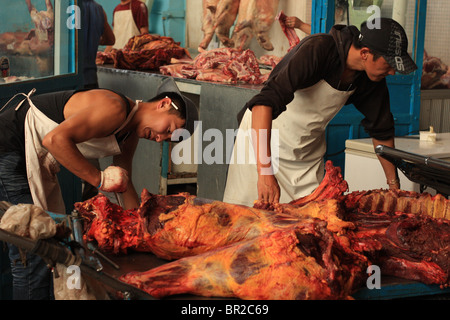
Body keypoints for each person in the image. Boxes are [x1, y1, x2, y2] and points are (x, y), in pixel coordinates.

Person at [0, 77, 198, 299]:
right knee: (33, 249)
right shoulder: (114, 108)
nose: (162, 138)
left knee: (47, 249)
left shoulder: (130, 133)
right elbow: (54, 140)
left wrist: (140, 227)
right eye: (169, 128)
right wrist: (99, 179)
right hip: (11, 147)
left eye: (169, 138)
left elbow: (124, 181)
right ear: (163, 104)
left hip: (34, 158)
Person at [223, 17, 417, 207]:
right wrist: (264, 172)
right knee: (252, 221)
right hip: (264, 144)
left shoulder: (371, 78)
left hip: (305, 153)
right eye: (389, 64)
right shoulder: (319, 49)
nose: (392, 72)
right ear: (365, 52)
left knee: (313, 225)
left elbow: (381, 132)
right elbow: (263, 104)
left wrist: (394, 187)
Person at [82, 0, 115, 89]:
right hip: (91, 79)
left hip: (69, 80)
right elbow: (110, 39)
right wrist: (93, 39)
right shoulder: (98, 9)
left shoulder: (64, 7)